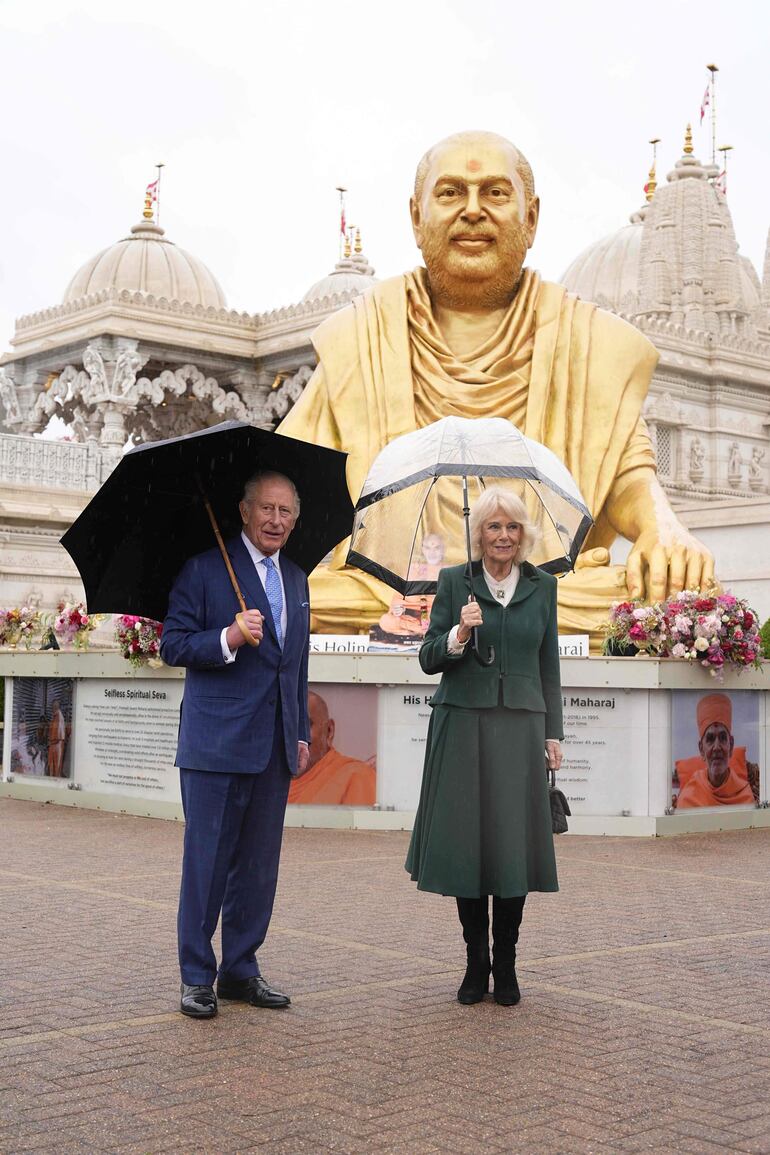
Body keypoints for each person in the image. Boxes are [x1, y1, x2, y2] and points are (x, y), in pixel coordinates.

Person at [278, 130, 713, 648]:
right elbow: (288, 474)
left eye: (495, 193)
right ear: (416, 217)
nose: (472, 211)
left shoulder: (586, 340)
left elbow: (627, 476)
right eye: (450, 193)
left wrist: (662, 528)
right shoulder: (363, 337)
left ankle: (467, 613)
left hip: (542, 582)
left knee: (668, 595)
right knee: (285, 593)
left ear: (531, 218)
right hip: (391, 588)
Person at [161, 471, 311, 1019]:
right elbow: (172, 645)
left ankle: (241, 970)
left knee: (257, 868)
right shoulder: (204, 569)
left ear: (295, 520)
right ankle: (197, 977)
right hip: (215, 747)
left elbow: (296, 664)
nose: (275, 520)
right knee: (207, 863)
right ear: (245, 512)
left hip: (273, 748)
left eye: (285, 512)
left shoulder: (296, 578)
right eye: (266, 510)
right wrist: (227, 636)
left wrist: (300, 732)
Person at [405, 487, 562, 1007]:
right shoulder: (455, 582)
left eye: (512, 527)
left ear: (524, 535)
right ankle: (475, 962)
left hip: (519, 729)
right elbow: (429, 658)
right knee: (469, 847)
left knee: (511, 846)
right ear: (480, 534)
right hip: (463, 726)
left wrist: (552, 732)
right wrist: (457, 634)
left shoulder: (543, 587)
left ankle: (507, 962)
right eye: (494, 527)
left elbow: (548, 666)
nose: (503, 536)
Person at [288, 690, 376, 806]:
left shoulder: (355, 777)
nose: (291, 736)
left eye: (303, 726)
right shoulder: (265, 782)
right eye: (283, 726)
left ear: (329, 731)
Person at [675, 693, 757, 809]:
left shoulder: (744, 795)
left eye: (723, 738)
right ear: (701, 749)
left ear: (731, 745)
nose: (717, 747)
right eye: (710, 739)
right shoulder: (688, 798)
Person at [47, 700, 66, 777]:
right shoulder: (55, 716)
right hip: (54, 745)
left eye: (54, 706)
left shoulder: (59, 716)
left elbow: (59, 736)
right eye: (53, 705)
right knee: (53, 767)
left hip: (56, 745)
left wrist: (50, 743)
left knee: (56, 768)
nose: (52, 707)